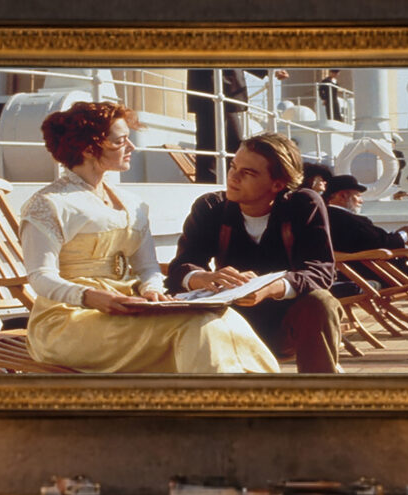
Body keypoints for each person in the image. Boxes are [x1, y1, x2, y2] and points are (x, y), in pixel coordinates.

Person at [20, 101, 279, 375]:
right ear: (88, 149)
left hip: (129, 310)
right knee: (197, 328)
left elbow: (147, 267)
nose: (131, 147)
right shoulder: (50, 204)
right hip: (69, 321)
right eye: (120, 141)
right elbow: (40, 276)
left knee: (223, 317)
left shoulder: (131, 204)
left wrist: (152, 290)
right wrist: (89, 297)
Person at [166, 132, 343, 374]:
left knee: (322, 302)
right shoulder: (211, 207)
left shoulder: (303, 205)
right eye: (233, 166)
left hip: (286, 324)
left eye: (248, 173)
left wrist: (269, 288)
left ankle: (320, 391)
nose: (233, 177)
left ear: (277, 184)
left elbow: (321, 271)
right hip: (226, 321)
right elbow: (181, 267)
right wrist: (203, 277)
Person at [187, 69, 289, 183]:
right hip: (211, 89)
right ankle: (209, 183)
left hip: (223, 91)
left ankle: (228, 181)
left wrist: (269, 70)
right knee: (211, 142)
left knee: (233, 143)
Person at [323, 174, 408, 252]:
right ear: (342, 196)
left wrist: (398, 235)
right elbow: (381, 244)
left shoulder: (324, 216)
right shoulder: (349, 220)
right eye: (358, 196)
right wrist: (406, 234)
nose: (361, 201)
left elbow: (370, 240)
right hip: (374, 270)